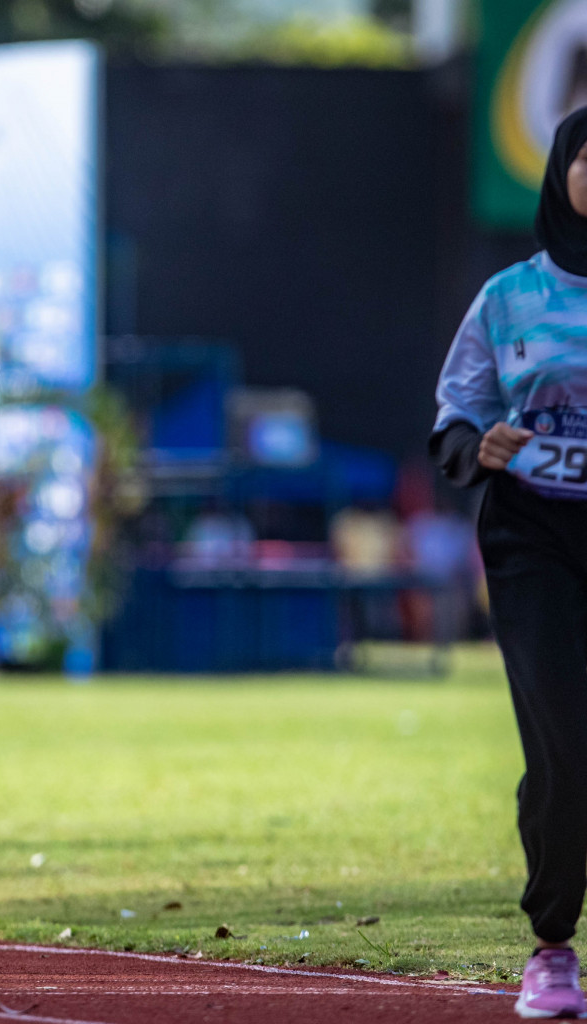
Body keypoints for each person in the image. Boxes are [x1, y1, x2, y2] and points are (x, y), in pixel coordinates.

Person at [429, 107, 587, 1019]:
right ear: (560, 172)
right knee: (566, 738)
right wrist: (473, 445)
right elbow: (455, 411)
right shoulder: (509, 296)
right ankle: (553, 948)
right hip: (533, 538)